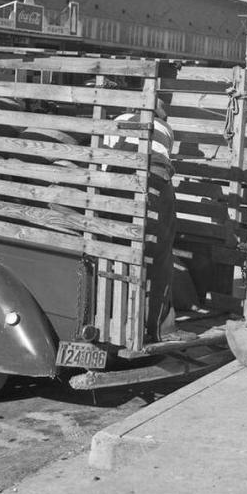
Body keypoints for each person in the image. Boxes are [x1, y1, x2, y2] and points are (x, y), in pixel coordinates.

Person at [104, 97, 180, 341]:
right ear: (160, 112)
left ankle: (116, 317)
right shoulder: (165, 128)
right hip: (154, 185)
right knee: (159, 256)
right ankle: (158, 327)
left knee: (118, 250)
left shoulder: (117, 120)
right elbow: (164, 162)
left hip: (116, 185)